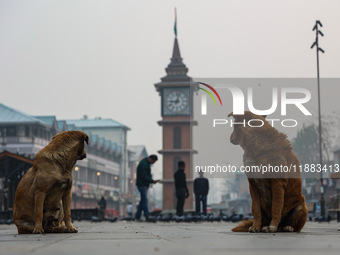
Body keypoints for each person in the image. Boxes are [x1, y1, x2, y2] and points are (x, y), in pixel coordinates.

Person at [135, 154, 160, 220]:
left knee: (142, 200)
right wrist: (152, 181)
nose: (153, 163)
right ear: (150, 159)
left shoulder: (145, 163)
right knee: (145, 200)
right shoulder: (144, 164)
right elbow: (144, 176)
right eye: (153, 161)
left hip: (143, 184)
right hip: (142, 184)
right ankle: (147, 215)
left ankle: (137, 216)